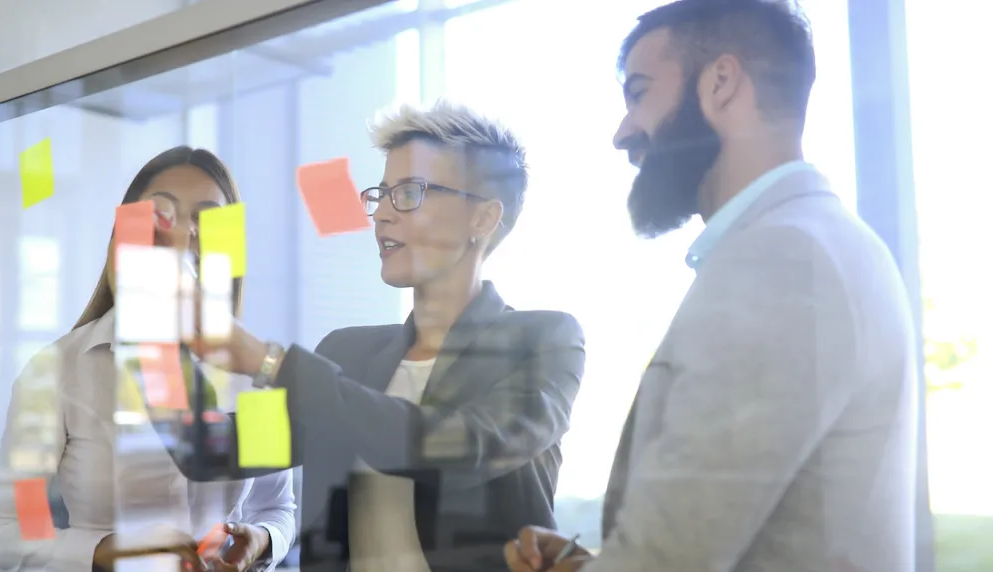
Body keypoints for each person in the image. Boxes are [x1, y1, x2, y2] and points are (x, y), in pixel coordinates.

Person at [505, 1, 918, 571]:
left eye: (639, 93)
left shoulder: (781, 260)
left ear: (721, 82)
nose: (622, 132)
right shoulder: (818, 242)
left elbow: (668, 563)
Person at [189, 101, 586, 572]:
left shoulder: (543, 340)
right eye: (381, 194)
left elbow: (462, 449)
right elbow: (216, 451)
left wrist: (270, 362)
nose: (380, 215)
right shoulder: (346, 352)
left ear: (482, 218)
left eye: (410, 192)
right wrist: (151, 346)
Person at [0, 146, 297, 572]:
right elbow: (7, 529)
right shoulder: (58, 371)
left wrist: (261, 539)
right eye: (162, 216)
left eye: (207, 219)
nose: (185, 232)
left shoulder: (252, 373)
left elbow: (276, 508)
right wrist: (103, 551)